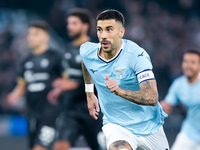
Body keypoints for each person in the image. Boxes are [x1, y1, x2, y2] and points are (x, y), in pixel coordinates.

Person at [80, 9, 169, 150]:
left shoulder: (137, 56)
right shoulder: (87, 51)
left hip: (149, 127)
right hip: (116, 124)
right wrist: (89, 93)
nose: (103, 35)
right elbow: (85, 61)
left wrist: (119, 91)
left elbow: (152, 97)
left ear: (121, 32)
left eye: (109, 30)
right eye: (99, 30)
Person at [48, 8, 104, 150]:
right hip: (70, 109)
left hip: (94, 110)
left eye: (74, 23)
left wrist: (74, 85)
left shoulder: (96, 50)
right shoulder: (66, 50)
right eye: (68, 23)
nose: (69, 27)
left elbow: (102, 81)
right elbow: (66, 76)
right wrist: (59, 89)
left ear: (85, 26)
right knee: (60, 146)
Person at [7, 21, 66, 150]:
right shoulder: (25, 61)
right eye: (29, 34)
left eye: (35, 34)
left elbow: (66, 79)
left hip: (51, 113)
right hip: (32, 113)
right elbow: (22, 85)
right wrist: (14, 95)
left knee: (40, 148)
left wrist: (59, 89)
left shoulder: (55, 57)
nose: (31, 37)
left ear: (46, 36)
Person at [160, 50, 200, 150]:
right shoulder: (179, 84)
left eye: (193, 62)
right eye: (186, 61)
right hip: (190, 132)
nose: (188, 65)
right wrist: (159, 108)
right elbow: (167, 106)